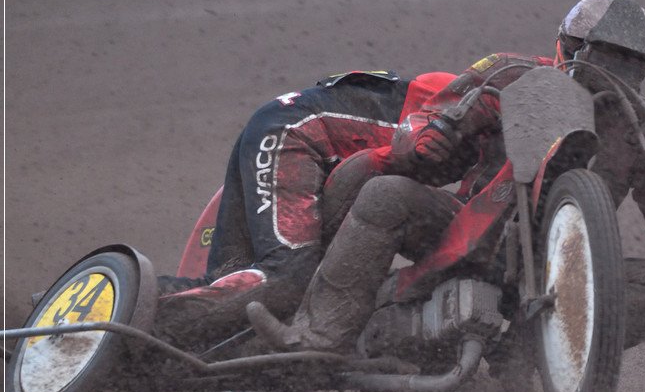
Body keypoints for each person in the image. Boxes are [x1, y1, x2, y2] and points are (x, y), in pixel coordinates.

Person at [248, 0, 645, 361]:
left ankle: (526, 354)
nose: (612, 71)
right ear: (569, 46)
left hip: (563, 266)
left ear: (642, 71)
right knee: (386, 193)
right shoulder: (510, 73)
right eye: (605, 55)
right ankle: (317, 338)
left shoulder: (641, 126)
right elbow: (432, 118)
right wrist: (433, 136)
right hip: (474, 229)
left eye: (629, 63)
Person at [153, 69, 455, 352]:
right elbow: (372, 165)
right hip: (294, 132)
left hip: (290, 129)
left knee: (232, 282)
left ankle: (160, 354)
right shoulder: (476, 100)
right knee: (287, 279)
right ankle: (127, 315)